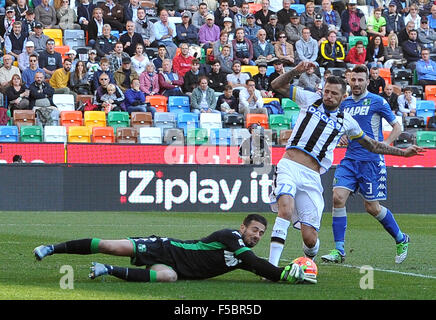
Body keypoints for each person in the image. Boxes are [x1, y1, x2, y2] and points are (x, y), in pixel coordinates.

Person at [267, 61, 423, 267]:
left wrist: (401, 152)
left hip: (336, 170)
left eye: (333, 93)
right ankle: (277, 266)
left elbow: (375, 142)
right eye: (326, 92)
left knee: (364, 211)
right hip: (299, 164)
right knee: (323, 201)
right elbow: (276, 86)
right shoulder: (311, 99)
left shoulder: (354, 116)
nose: (328, 96)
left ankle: (399, 237)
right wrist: (296, 70)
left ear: (342, 97)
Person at [33, 214, 310, 284]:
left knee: (168, 278)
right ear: (243, 228)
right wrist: (287, 274)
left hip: (175, 267)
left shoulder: (243, 258)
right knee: (107, 244)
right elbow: (257, 263)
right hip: (164, 247)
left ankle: (107, 270)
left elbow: (260, 268)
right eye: (255, 230)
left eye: (262, 233)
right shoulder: (231, 237)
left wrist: (280, 275)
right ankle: (51, 249)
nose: (258, 236)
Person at [320, 64, 413, 265]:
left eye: (360, 80)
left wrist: (385, 145)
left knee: (372, 207)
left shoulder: (377, 101)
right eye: (353, 79)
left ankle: (400, 238)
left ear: (367, 82)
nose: (356, 83)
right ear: (349, 81)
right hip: (350, 159)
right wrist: (342, 137)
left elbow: (397, 126)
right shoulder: (343, 104)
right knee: (337, 197)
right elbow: (338, 127)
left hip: (371, 161)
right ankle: (339, 250)